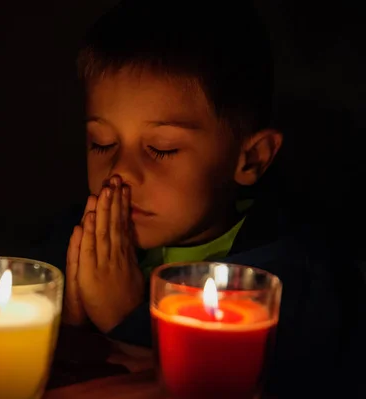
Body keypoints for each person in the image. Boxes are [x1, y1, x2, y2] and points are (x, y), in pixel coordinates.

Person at [30, 0, 366, 397]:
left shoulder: (293, 286)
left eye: (162, 148)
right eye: (102, 143)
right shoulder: (69, 242)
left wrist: (127, 319)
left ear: (251, 159)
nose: (120, 172)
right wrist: (68, 325)